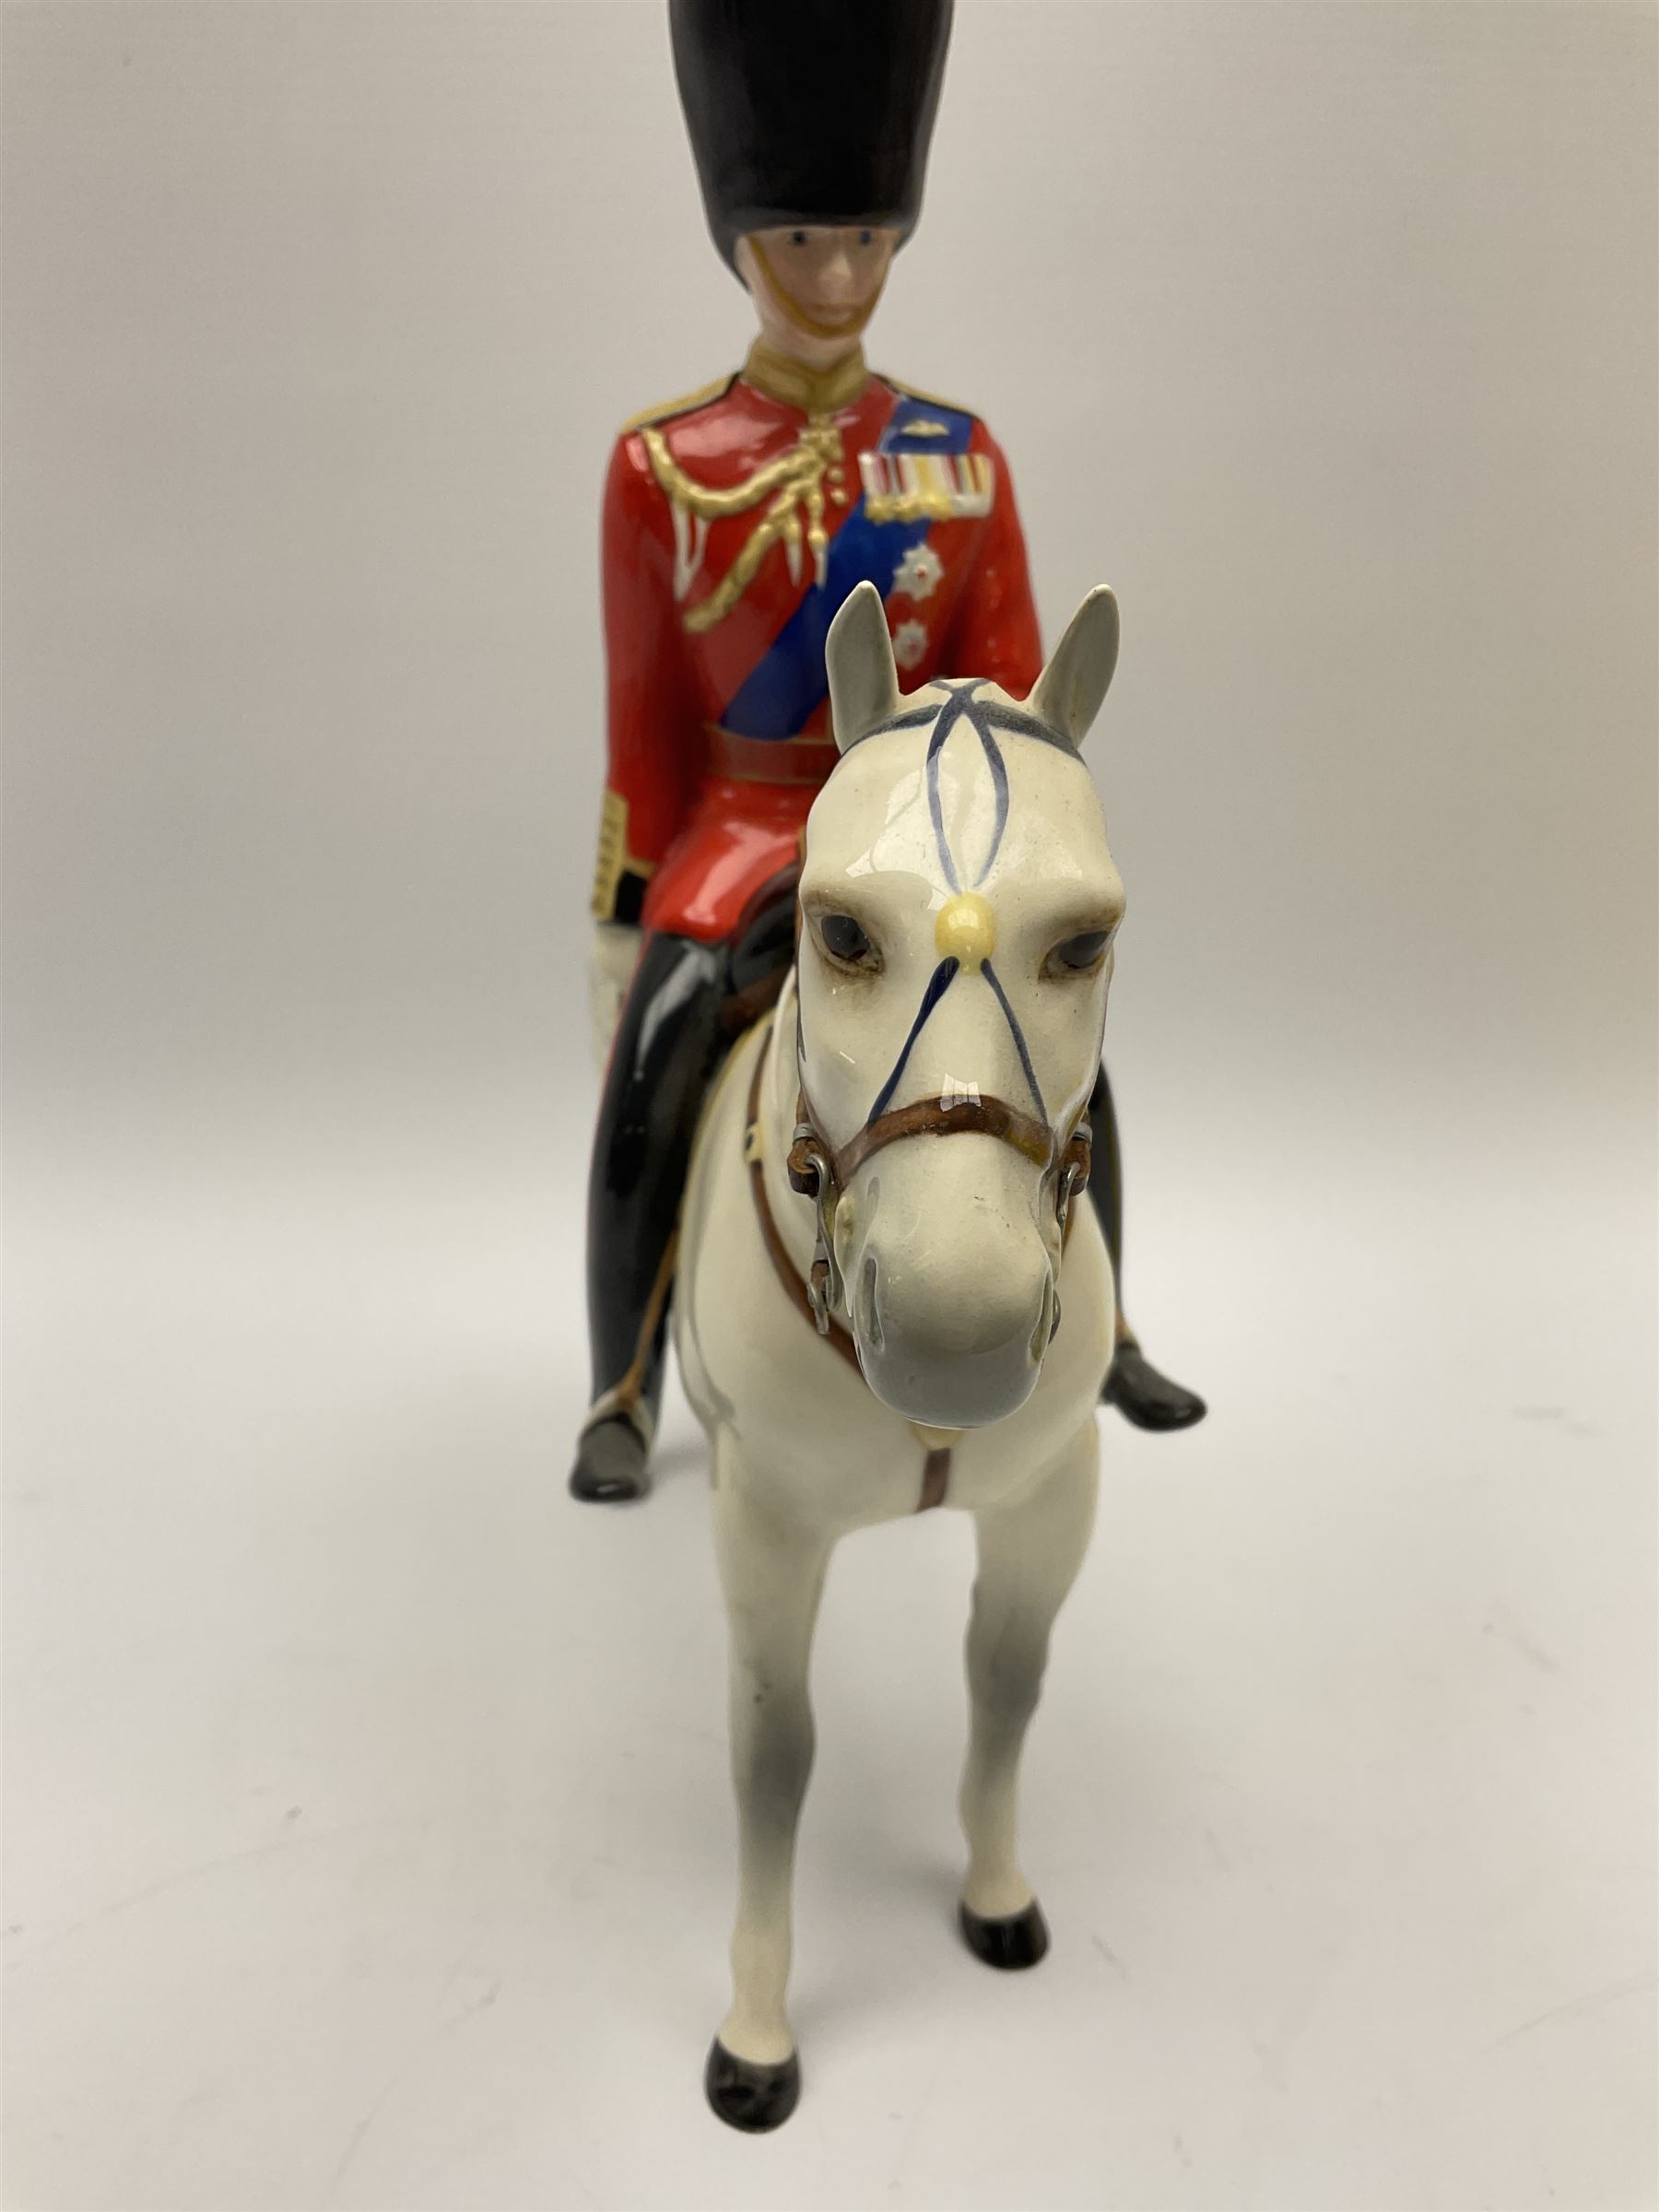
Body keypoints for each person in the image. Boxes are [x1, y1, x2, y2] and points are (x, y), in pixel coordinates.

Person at [573, 0, 1204, 1503]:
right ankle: (620, 1375)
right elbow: (645, 711)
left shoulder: (960, 456)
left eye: (864, 237)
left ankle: (1099, 1329)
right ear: (742, 240)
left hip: (926, 841)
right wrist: (622, 909)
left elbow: (1017, 703)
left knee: (1070, 1075)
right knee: (654, 1075)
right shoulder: (662, 468)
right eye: (803, 241)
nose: (839, 275)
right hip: (737, 841)